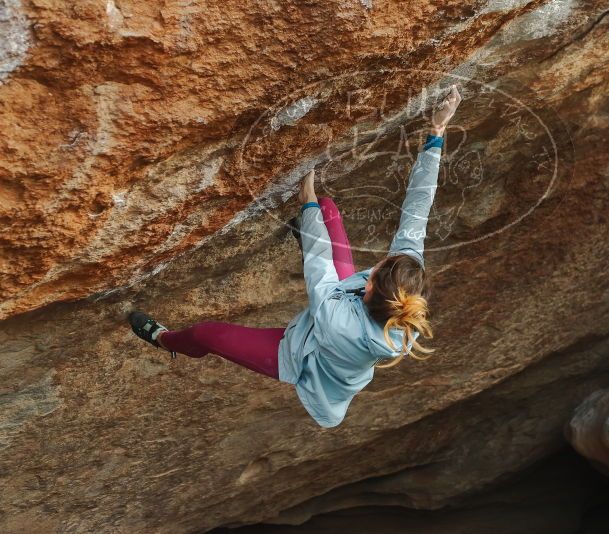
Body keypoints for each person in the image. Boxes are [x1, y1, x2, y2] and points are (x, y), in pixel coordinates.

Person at [129, 84, 463, 428]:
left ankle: (163, 339)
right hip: (340, 303)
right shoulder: (408, 283)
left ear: (368, 290)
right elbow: (417, 211)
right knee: (327, 211)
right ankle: (306, 221)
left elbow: (318, 264)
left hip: (303, 356)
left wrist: (306, 198)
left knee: (207, 335)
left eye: (374, 273)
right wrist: (437, 133)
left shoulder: (337, 320)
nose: (377, 264)